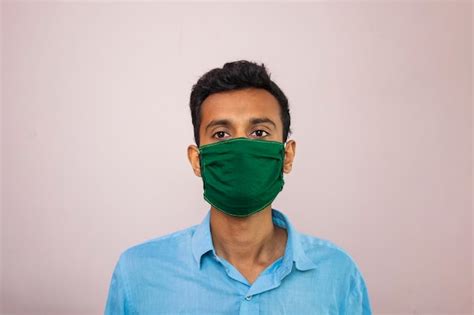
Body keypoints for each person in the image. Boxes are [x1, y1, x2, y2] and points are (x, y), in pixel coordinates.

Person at [104, 60, 372, 314]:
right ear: (197, 160)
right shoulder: (138, 273)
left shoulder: (338, 274)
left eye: (259, 133)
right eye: (221, 134)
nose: (241, 148)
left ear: (287, 155)